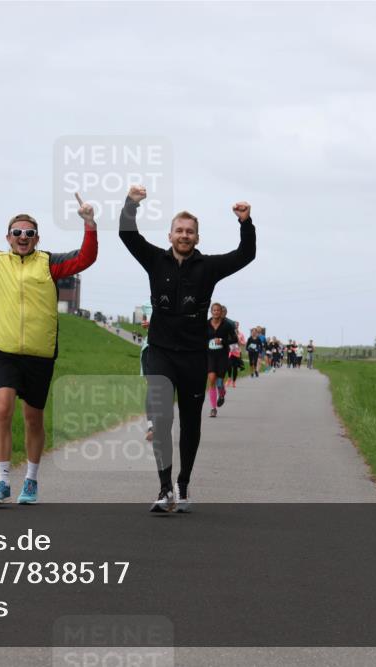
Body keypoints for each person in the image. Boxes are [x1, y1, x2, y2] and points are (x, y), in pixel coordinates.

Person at [0, 189, 97, 505]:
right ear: (8, 237)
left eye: (29, 233)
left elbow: (85, 258)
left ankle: (30, 481)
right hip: (3, 349)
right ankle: (2, 482)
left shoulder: (50, 264)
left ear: (37, 238)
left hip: (40, 354)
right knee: (2, 407)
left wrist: (89, 224)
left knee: (33, 418)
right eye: (17, 232)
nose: (23, 237)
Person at [119, 184, 256, 513]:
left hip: (195, 356)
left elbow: (245, 255)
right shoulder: (155, 260)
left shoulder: (207, 267)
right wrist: (131, 204)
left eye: (190, 231)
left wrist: (245, 223)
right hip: (161, 352)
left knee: (191, 423)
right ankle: (164, 488)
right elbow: (127, 234)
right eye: (179, 230)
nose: (184, 235)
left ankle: (183, 484)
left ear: (197, 237)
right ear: (169, 235)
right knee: (163, 418)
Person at [206, 303, 238, 418]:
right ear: (211, 311)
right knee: (212, 379)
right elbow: (200, 337)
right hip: (210, 355)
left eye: (218, 310)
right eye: (214, 310)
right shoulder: (206, 324)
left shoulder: (227, 325)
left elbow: (234, 339)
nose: (216, 312)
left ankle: (222, 393)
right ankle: (213, 408)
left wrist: (223, 341)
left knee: (219, 382)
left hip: (222, 356)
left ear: (221, 312)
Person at [140, 300, 154, 441]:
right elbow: (145, 324)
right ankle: (151, 426)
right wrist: (145, 325)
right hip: (149, 350)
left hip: (166, 351)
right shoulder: (147, 307)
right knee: (152, 388)